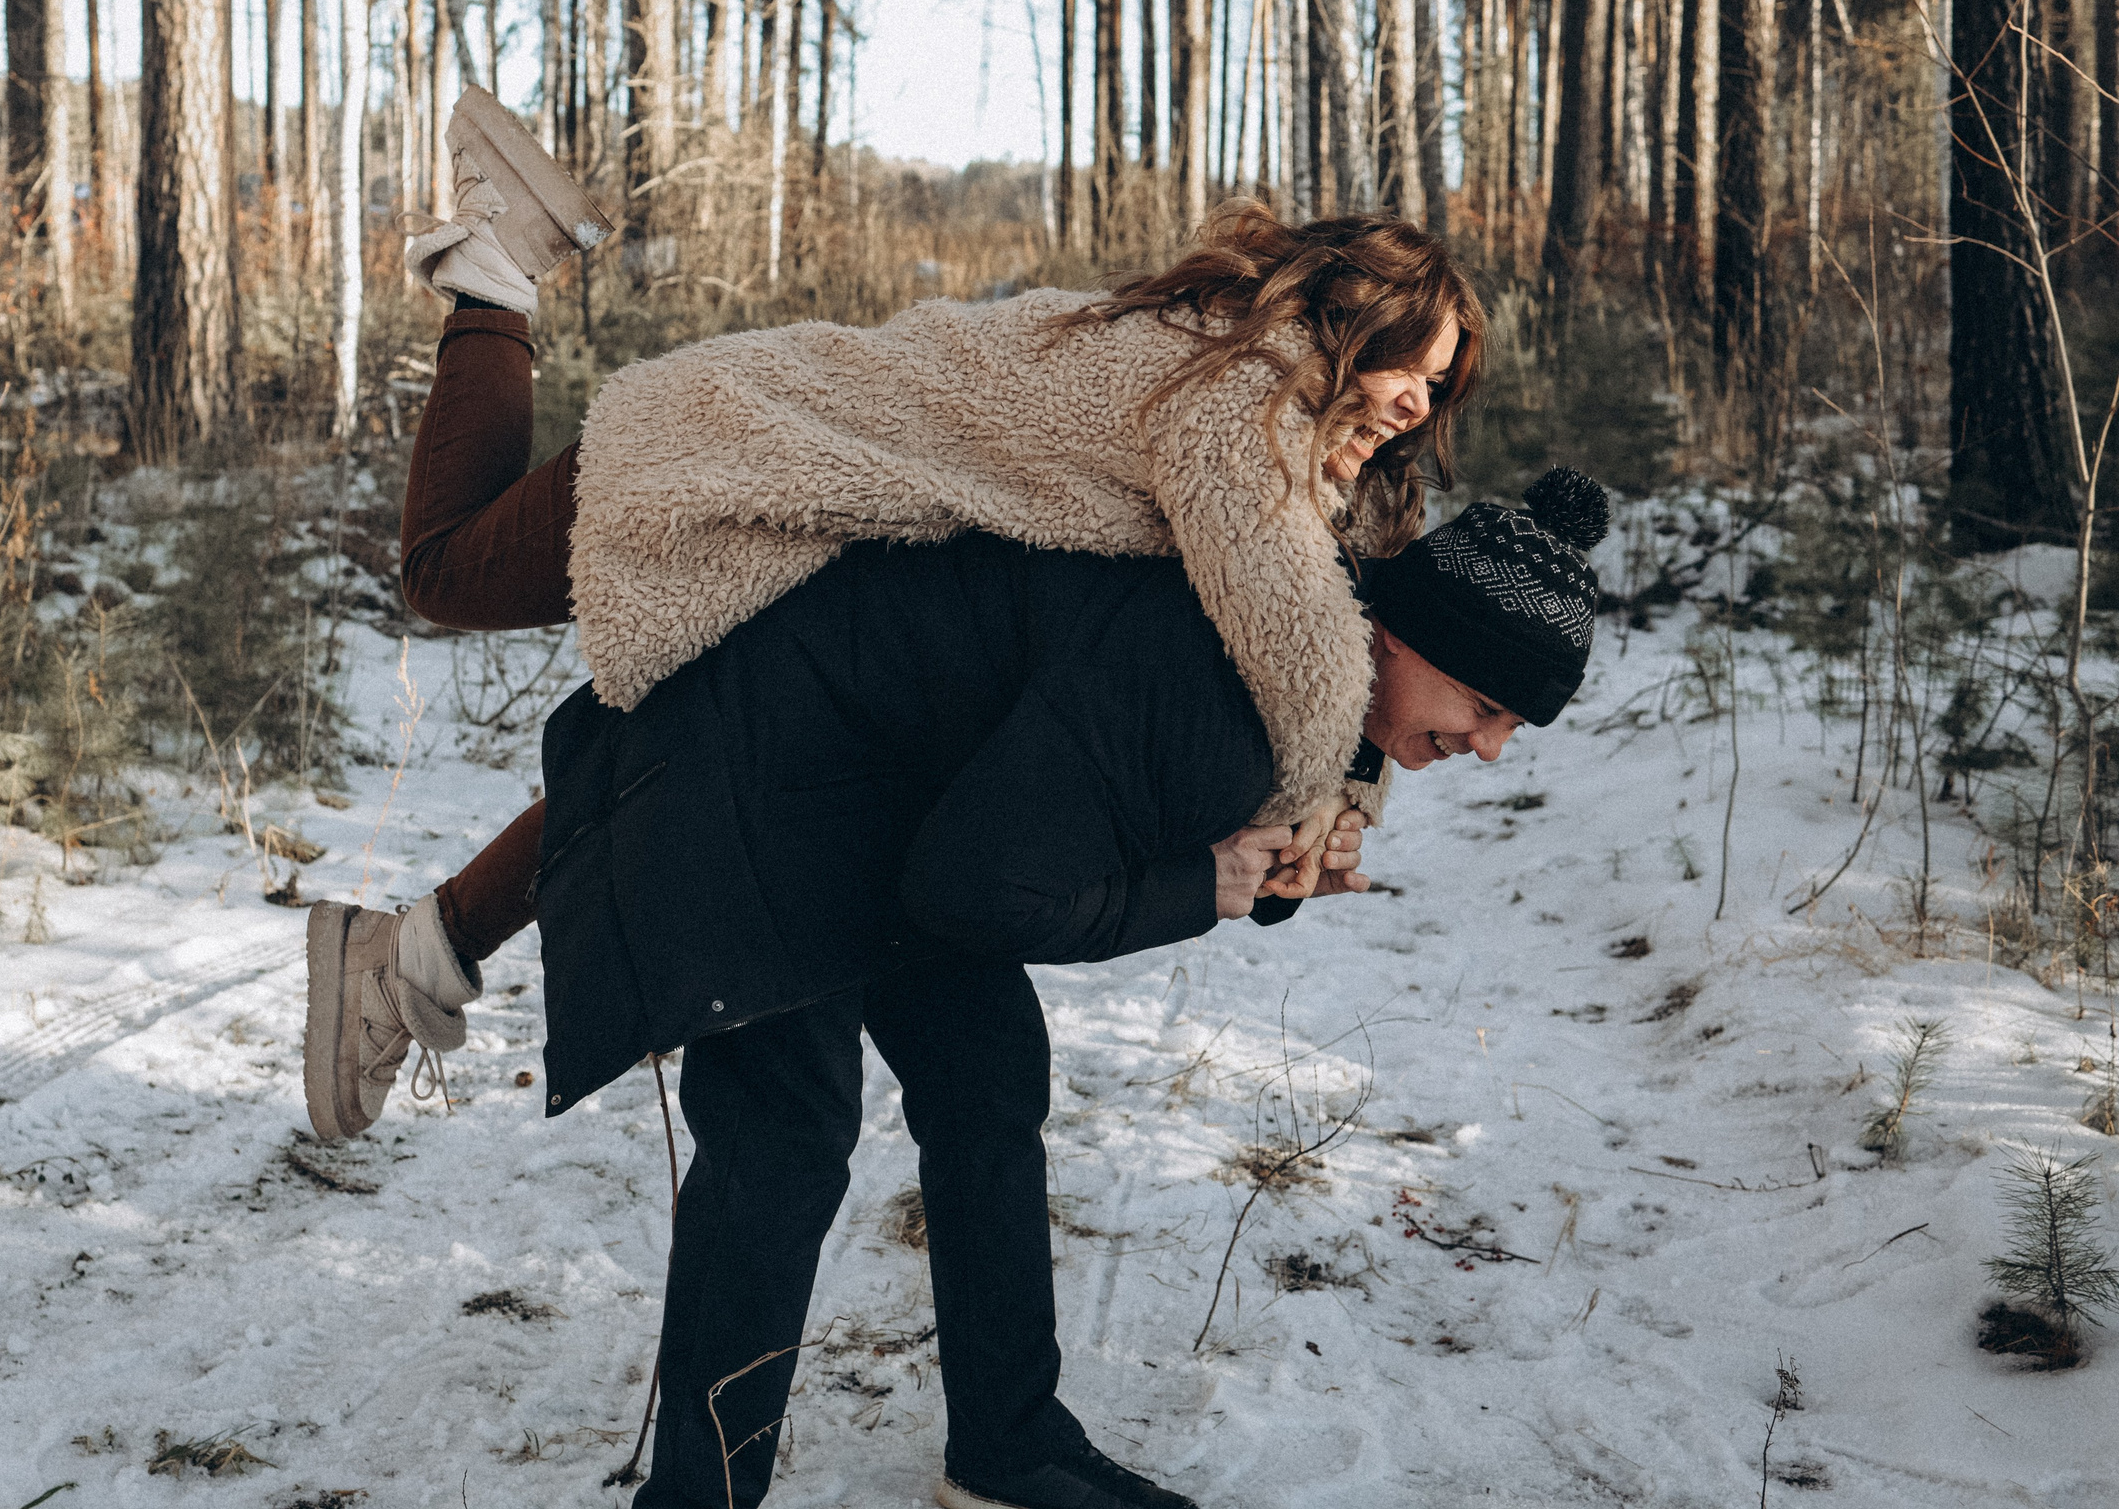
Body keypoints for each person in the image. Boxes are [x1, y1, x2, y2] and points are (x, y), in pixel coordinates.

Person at [312, 470, 1612, 1509]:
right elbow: (987, 891)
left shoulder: (1296, 663)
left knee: (988, 1079)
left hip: (897, 793)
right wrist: (1206, 884)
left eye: (1512, 727)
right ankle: (697, 1496)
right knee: (785, 1136)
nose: (1488, 746)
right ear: (1410, 635)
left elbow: (1050, 829)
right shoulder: (1237, 687)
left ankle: (1006, 1443)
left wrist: (1252, 879)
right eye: (1486, 703)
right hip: (759, 768)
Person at [309, 88, 1485, 1064]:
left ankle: (421, 954)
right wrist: (1320, 806)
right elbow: (1296, 631)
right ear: (1349, 326)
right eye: (1411, 372)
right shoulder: (1238, 396)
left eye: (1436, 391)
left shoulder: (1226, 375)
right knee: (445, 572)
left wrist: (1337, 795)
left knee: (683, 746)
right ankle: (494, 267)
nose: (1414, 407)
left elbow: (1309, 601)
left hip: (811, 496)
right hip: (745, 442)